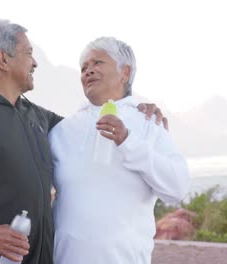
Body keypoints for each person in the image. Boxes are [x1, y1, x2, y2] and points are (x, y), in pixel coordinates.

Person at [0, 20, 167, 264]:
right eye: (28, 53)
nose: (35, 62)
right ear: (3, 60)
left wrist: (132, 108)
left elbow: (87, 126)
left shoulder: (37, 116)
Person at [49, 37, 190, 264]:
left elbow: (178, 187)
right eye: (84, 67)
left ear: (125, 72)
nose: (88, 71)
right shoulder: (61, 131)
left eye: (97, 63)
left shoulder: (147, 123)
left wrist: (128, 142)